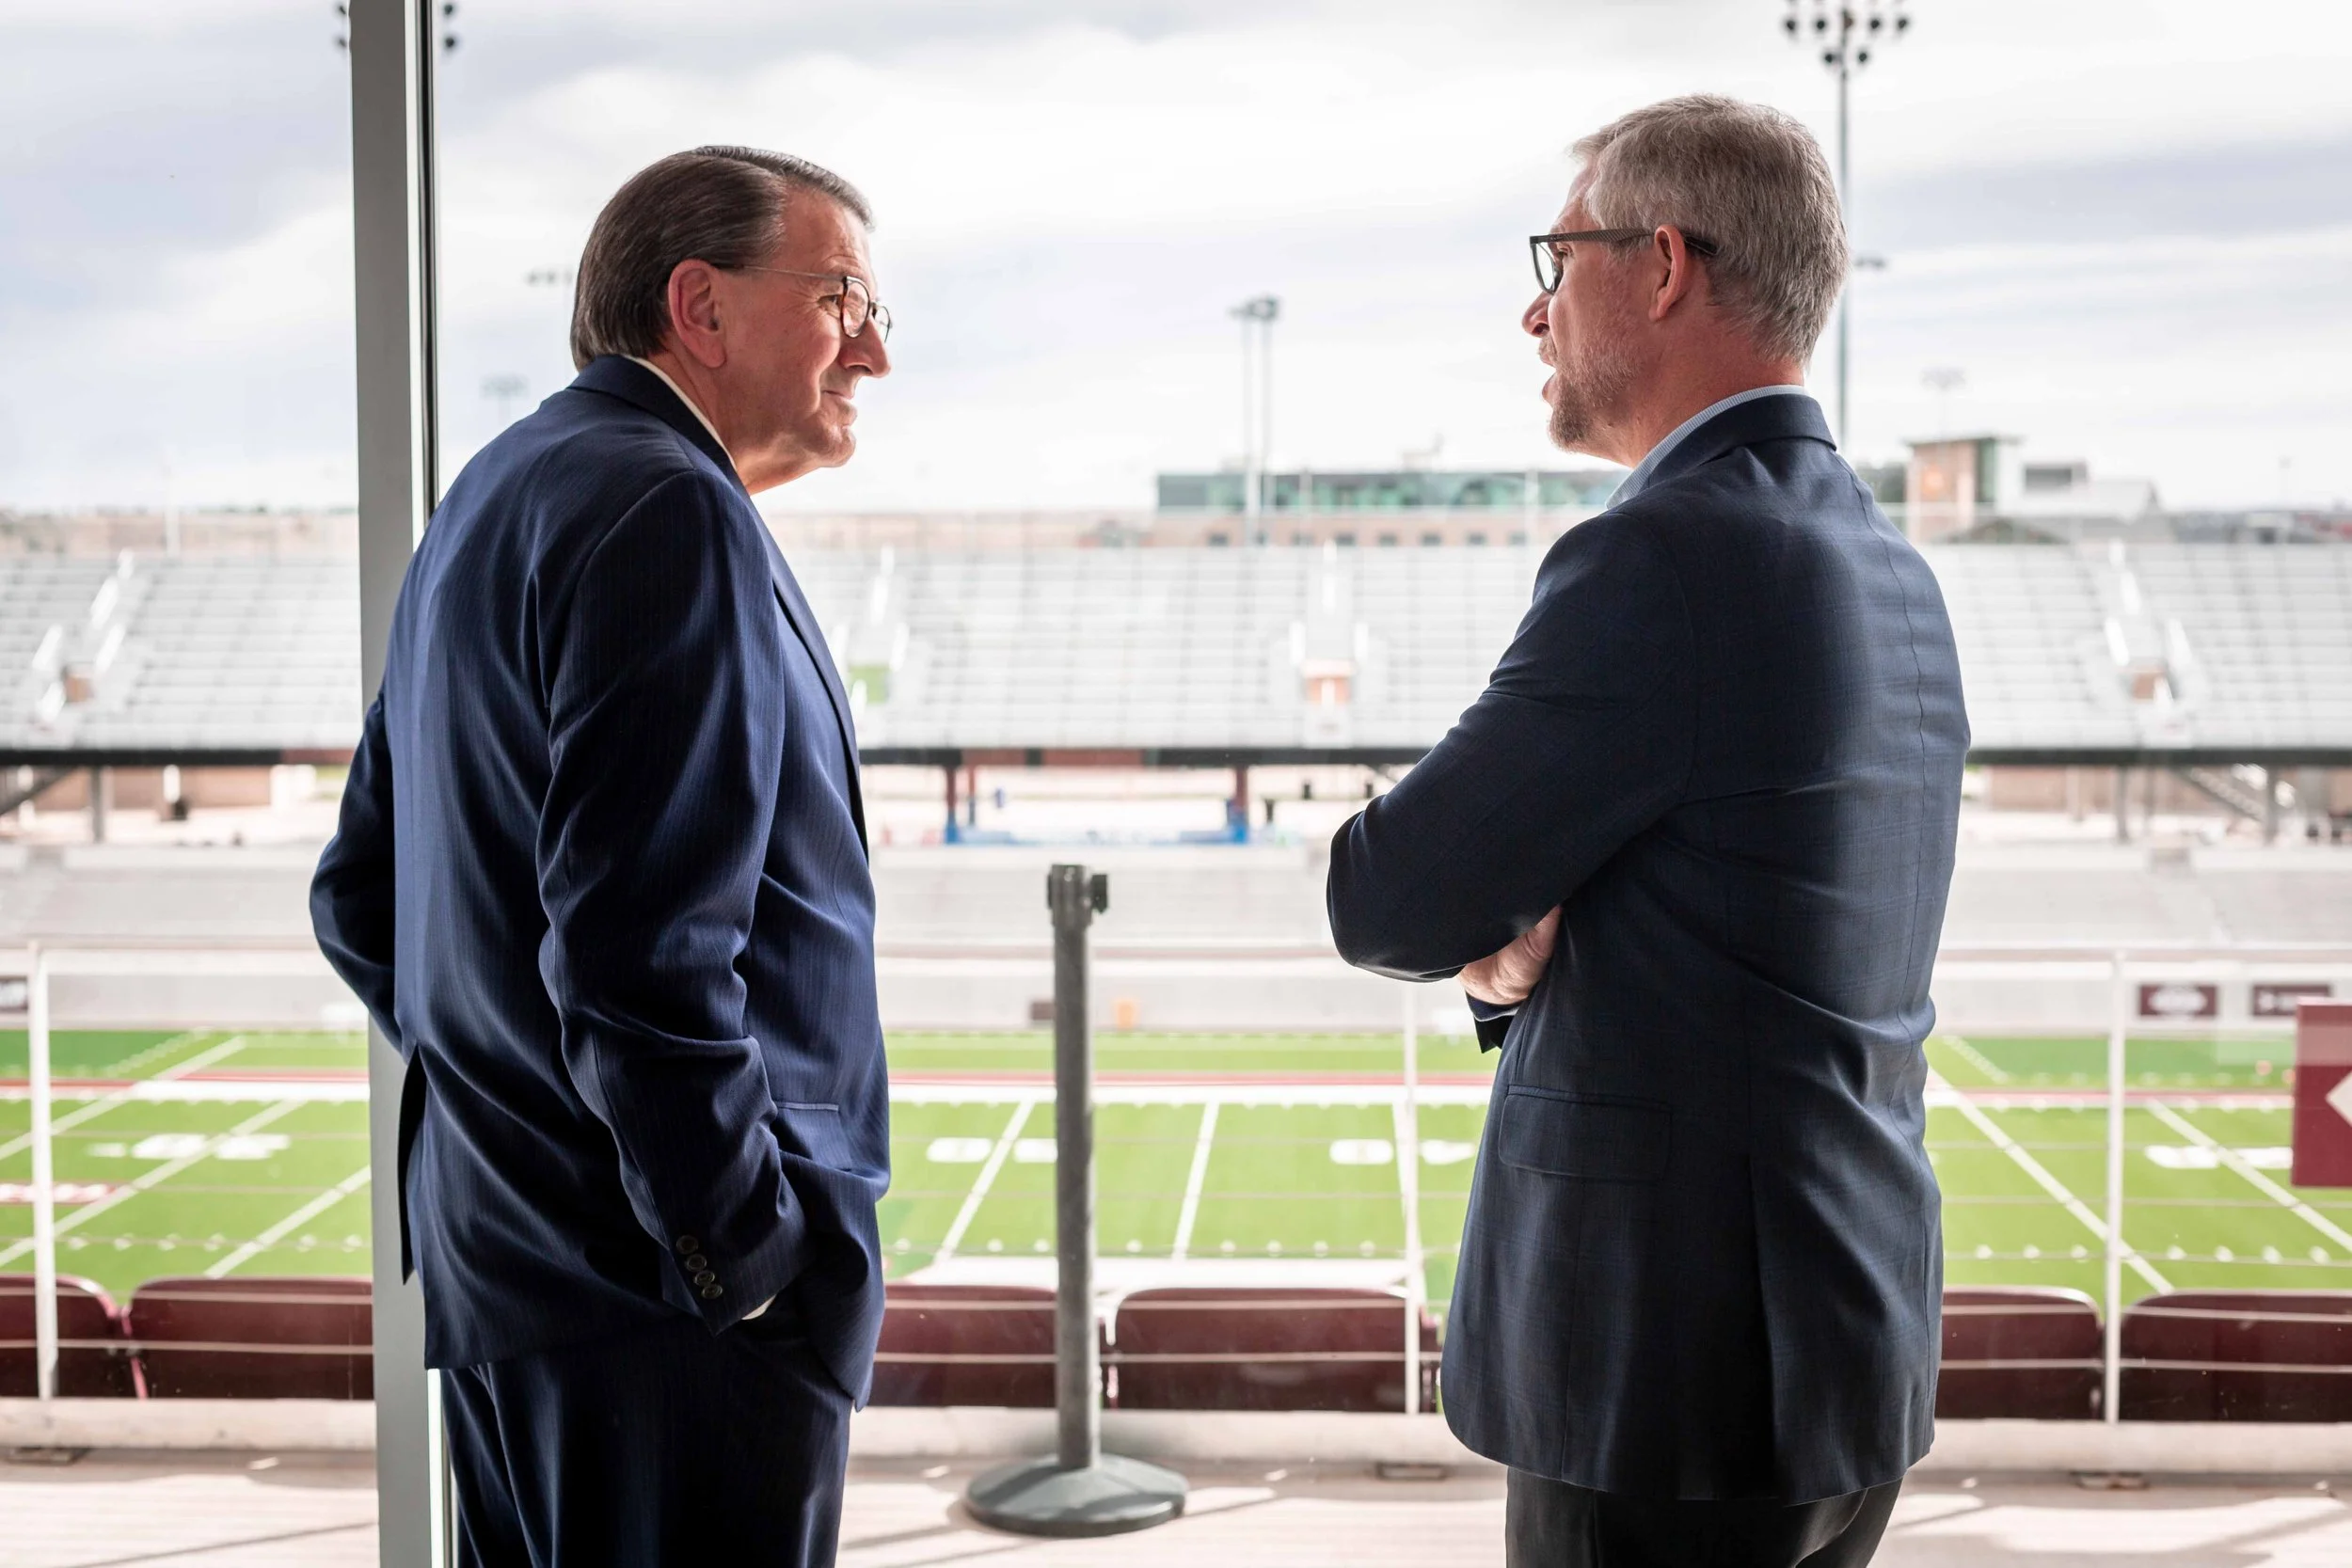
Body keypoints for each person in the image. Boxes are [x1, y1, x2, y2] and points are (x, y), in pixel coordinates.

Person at [1327, 96, 1966, 1568]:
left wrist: (1494, 948)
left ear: (1664, 264)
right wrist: (1517, 959)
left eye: (1559, 259)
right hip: (1846, 1351)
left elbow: (1390, 893)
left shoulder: (1664, 551)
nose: (1533, 309)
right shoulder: (1890, 565)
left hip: (1670, 1380)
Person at [311, 146, 893, 1567]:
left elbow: (363, 897)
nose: (873, 351)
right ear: (700, 306)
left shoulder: (496, 490)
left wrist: (514, 1115)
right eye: (842, 299)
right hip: (661, 1311)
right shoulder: (667, 505)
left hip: (512, 1271)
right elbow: (645, 950)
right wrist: (740, 1256)